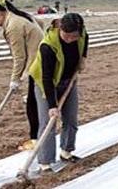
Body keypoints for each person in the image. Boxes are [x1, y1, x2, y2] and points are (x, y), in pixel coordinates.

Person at [0, 0, 44, 150]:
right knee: (33, 102)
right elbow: (41, 24)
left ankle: (36, 139)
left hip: (37, 65)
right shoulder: (20, 16)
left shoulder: (13, 26)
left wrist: (15, 79)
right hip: (39, 60)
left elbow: (19, 57)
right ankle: (38, 137)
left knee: (32, 105)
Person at [29, 13, 88, 171]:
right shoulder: (47, 46)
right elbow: (46, 78)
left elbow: (85, 41)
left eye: (73, 37)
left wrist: (83, 58)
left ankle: (66, 152)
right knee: (48, 122)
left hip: (68, 80)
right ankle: (45, 162)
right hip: (45, 83)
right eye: (66, 36)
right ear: (60, 29)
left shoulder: (82, 35)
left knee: (71, 118)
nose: (69, 39)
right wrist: (52, 105)